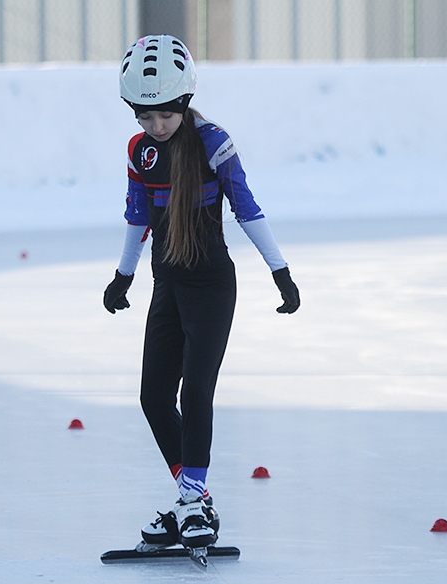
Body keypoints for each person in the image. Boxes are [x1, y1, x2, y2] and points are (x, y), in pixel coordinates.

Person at [103, 34, 300, 550]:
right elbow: (138, 216)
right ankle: (195, 501)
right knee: (152, 395)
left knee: (195, 393)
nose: (155, 126)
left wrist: (280, 271)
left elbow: (247, 207)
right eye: (143, 116)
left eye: (164, 115)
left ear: (185, 101)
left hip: (211, 286)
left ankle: (191, 502)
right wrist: (123, 276)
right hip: (166, 285)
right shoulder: (140, 152)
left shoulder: (214, 143)